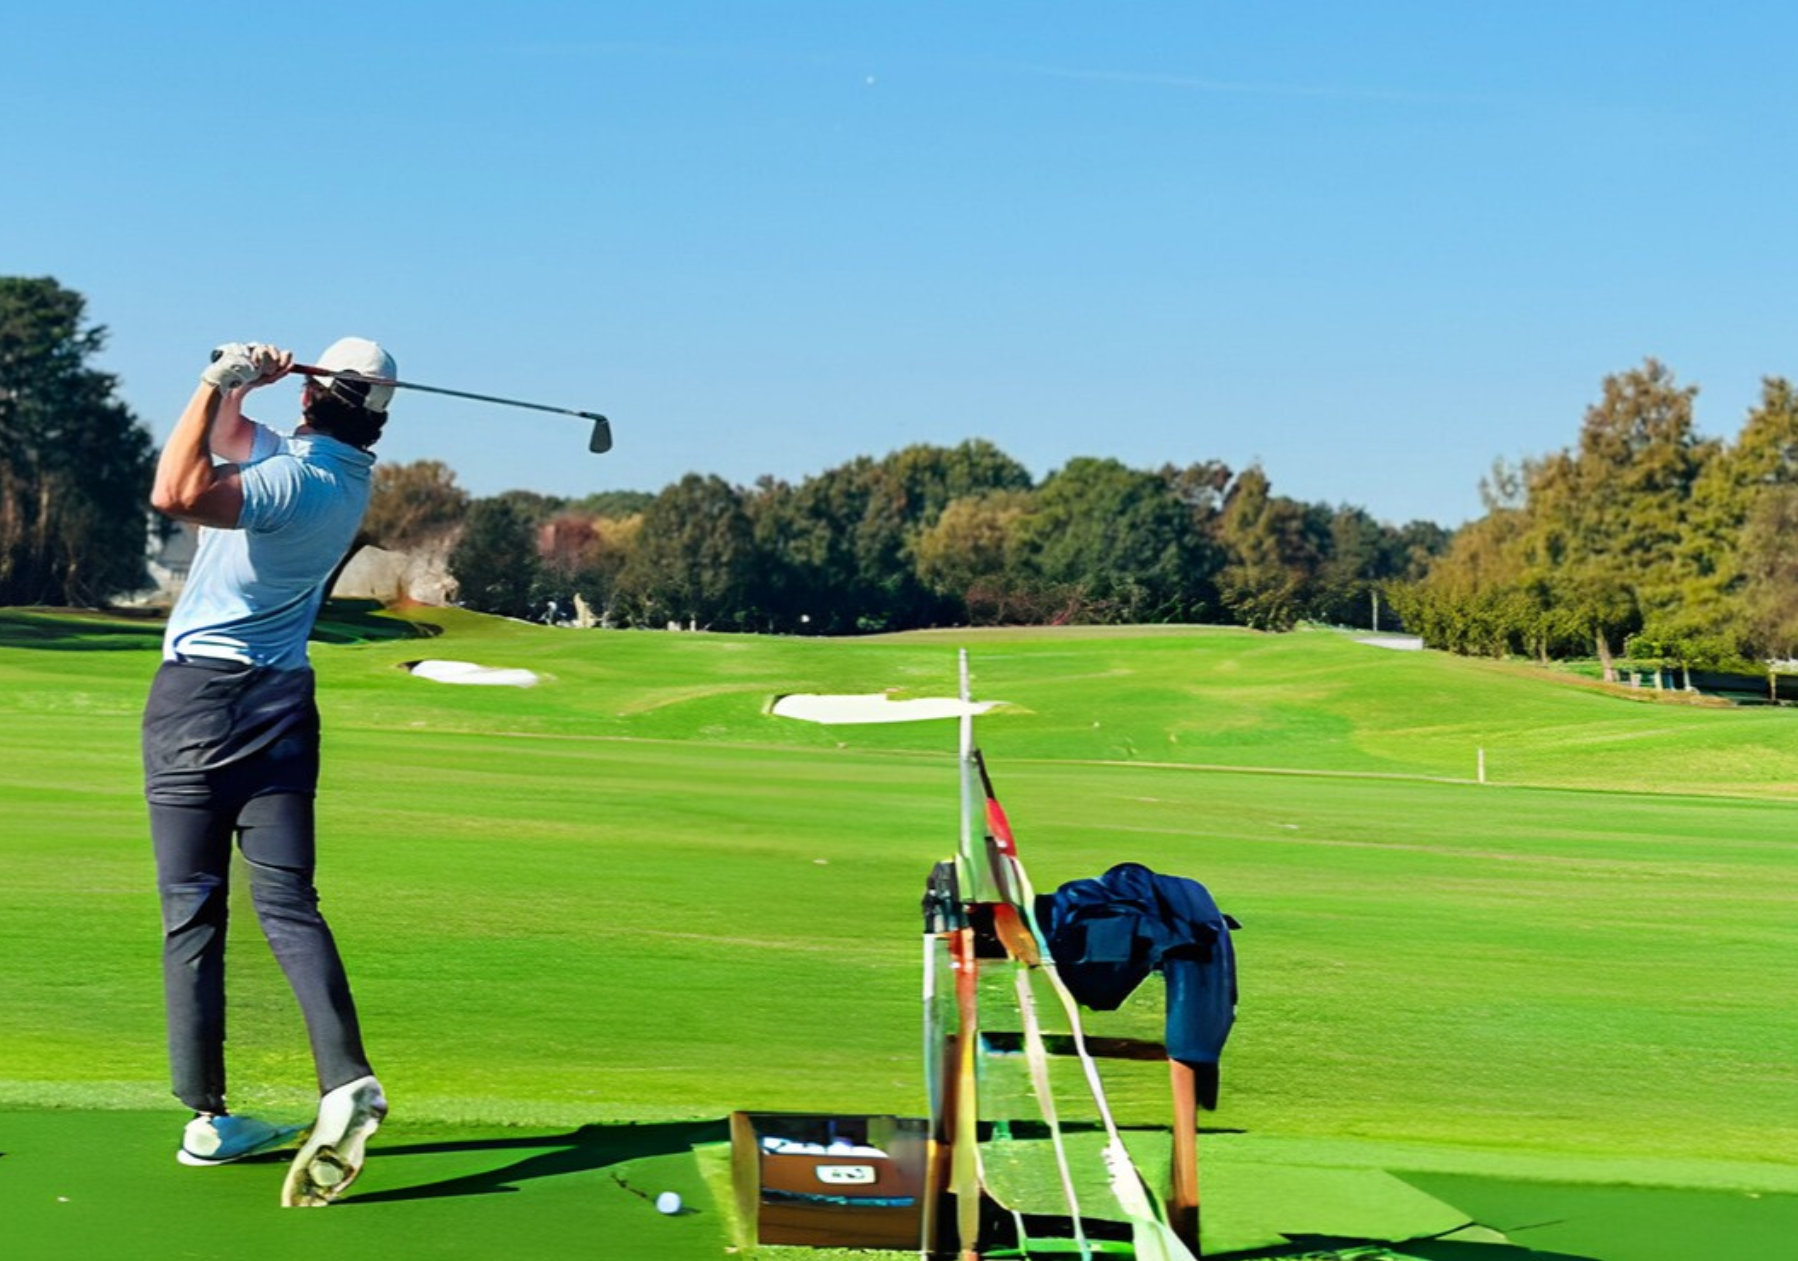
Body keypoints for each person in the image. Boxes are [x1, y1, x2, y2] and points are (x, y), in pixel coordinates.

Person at [145, 337, 393, 1206]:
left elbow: (175, 489)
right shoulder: (340, 477)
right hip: (284, 709)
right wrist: (237, 391)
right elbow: (231, 433)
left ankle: (208, 1118)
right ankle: (344, 1076)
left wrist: (215, 376)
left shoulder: (290, 479)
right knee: (288, 902)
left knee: (192, 909)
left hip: (200, 703)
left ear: (316, 398)